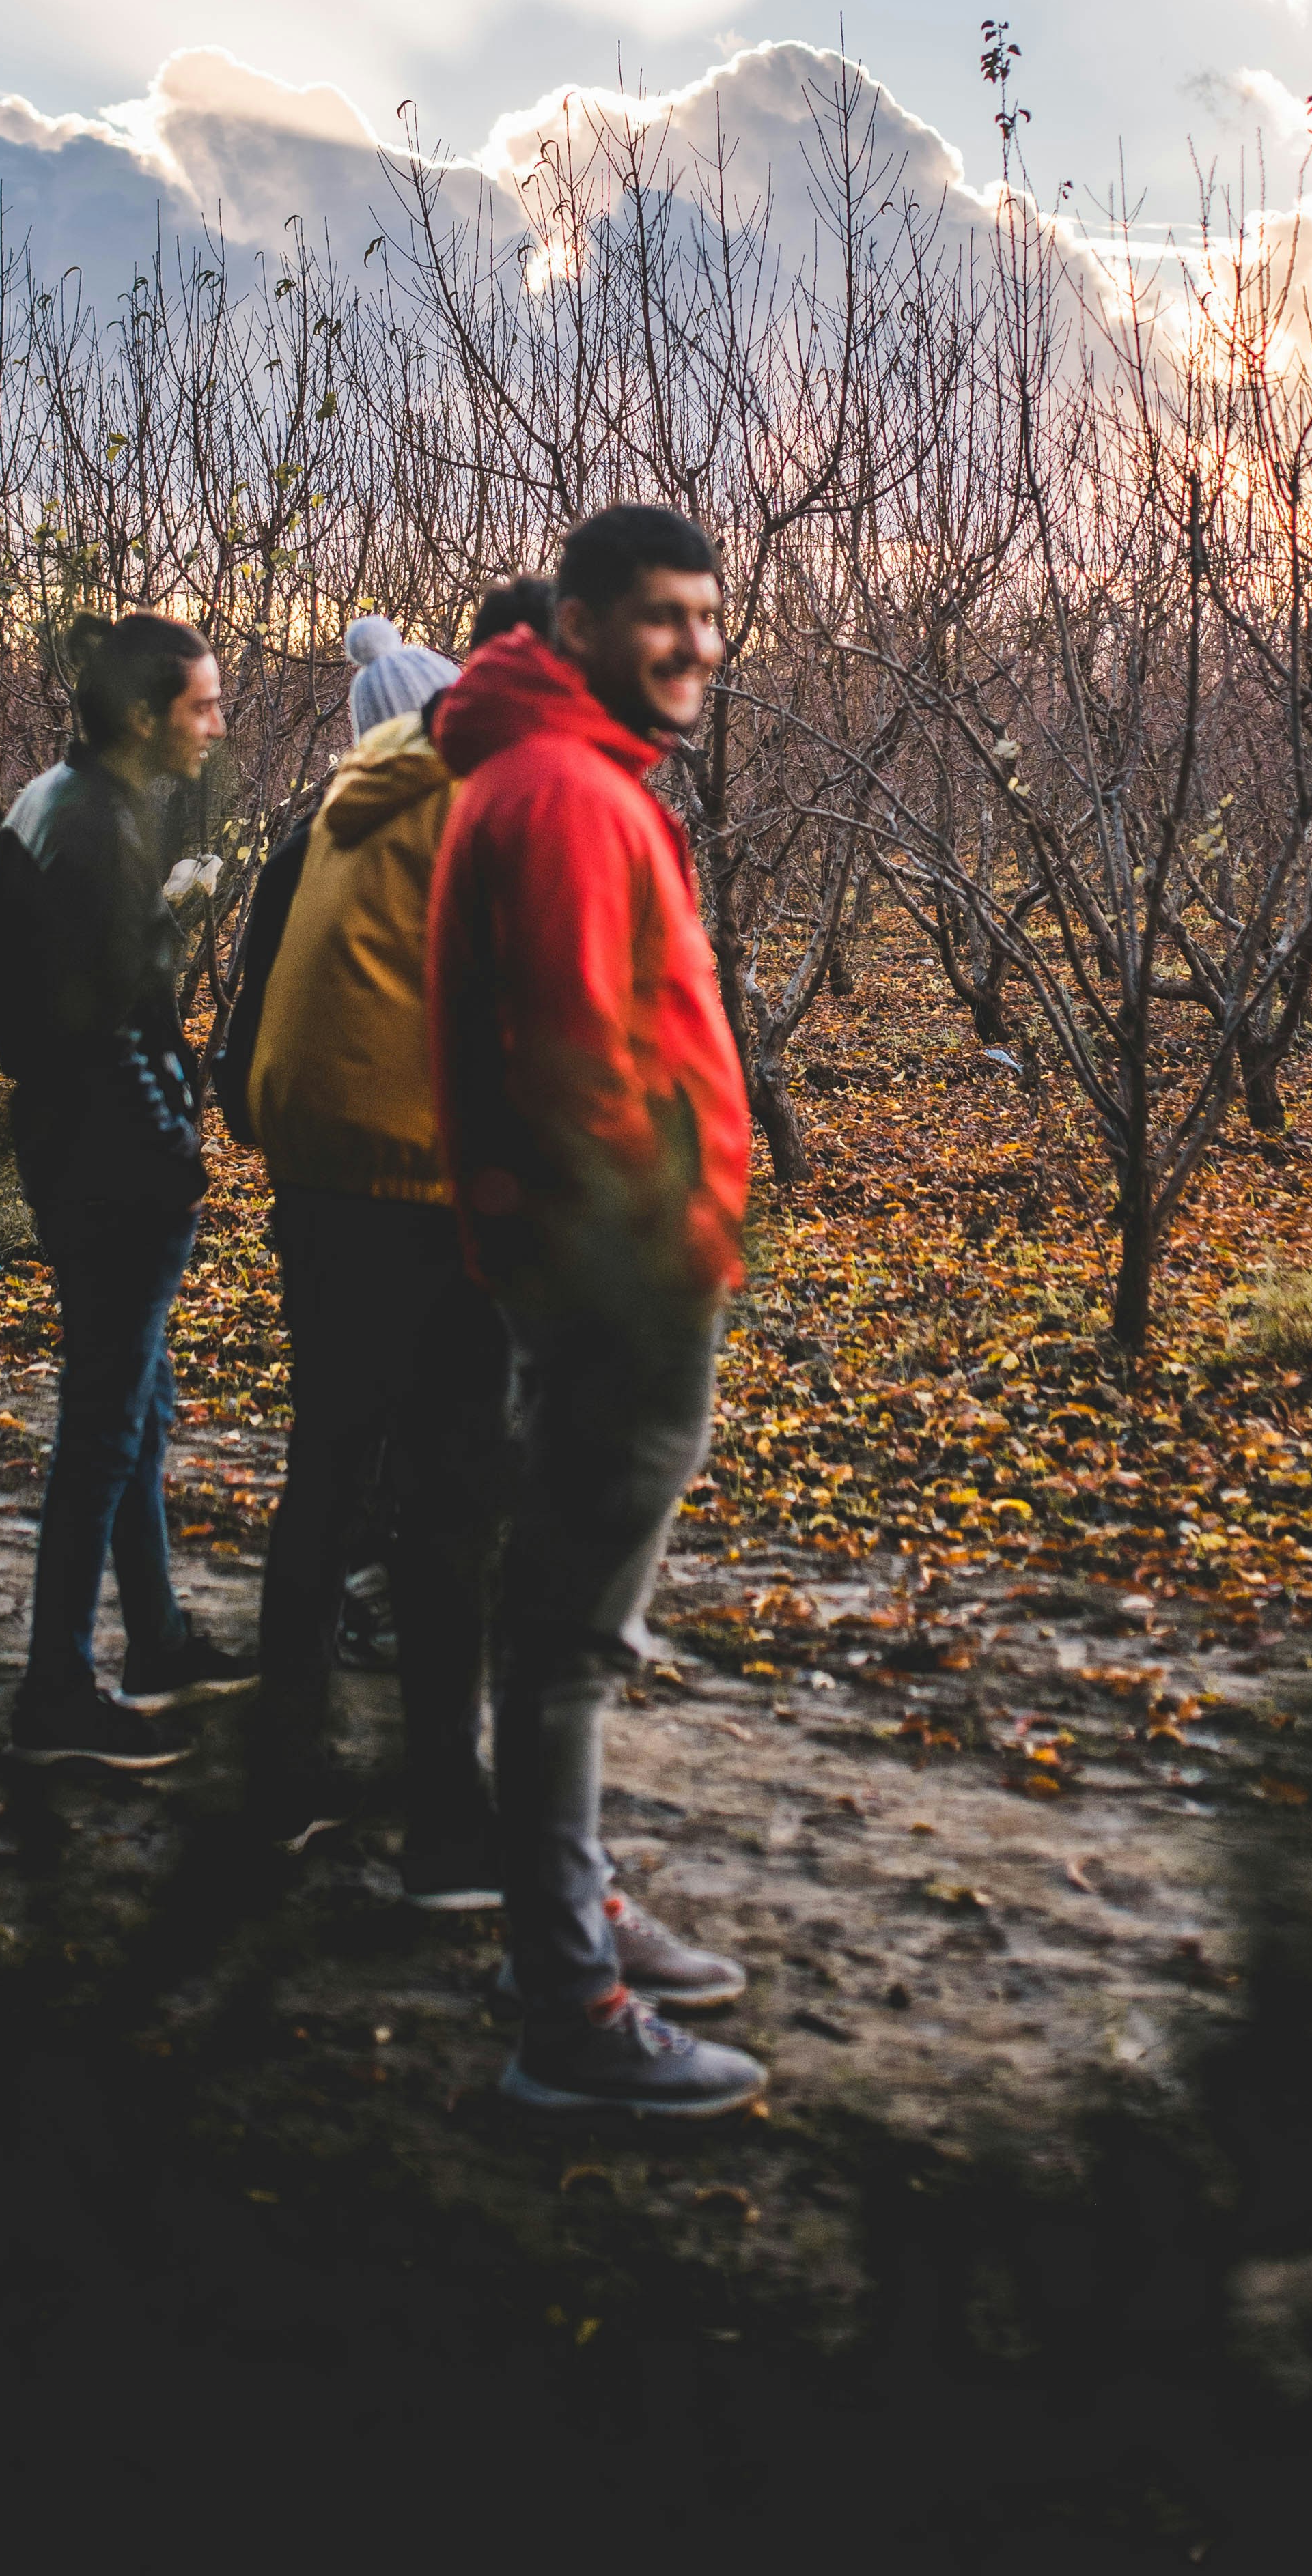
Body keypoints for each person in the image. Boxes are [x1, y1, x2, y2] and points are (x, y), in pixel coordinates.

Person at [426, 507, 766, 2116]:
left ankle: (562, 1913)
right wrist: (655, 1250)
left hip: (598, 1268)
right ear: (572, 623)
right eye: (659, 616)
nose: (696, 643)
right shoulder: (563, 791)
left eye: (709, 614)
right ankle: (569, 2002)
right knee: (568, 1639)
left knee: (565, 1626)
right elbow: (573, 1066)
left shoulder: (567, 768)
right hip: (620, 1279)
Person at [245, 590, 544, 1890]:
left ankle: (281, 1779)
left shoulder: (346, 800)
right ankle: (448, 1820)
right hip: (422, 1189)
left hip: (318, 1177)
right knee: (449, 1508)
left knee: (325, 1469)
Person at [0, 609, 251, 1769]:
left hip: (69, 1150)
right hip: (113, 1169)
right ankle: (57, 1688)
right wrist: (175, 1155)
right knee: (105, 1427)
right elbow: (112, 1034)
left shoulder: (54, 803)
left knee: (137, 1411)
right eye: (201, 704)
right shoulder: (99, 831)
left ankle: (155, 1638)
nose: (216, 724)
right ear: (144, 714)